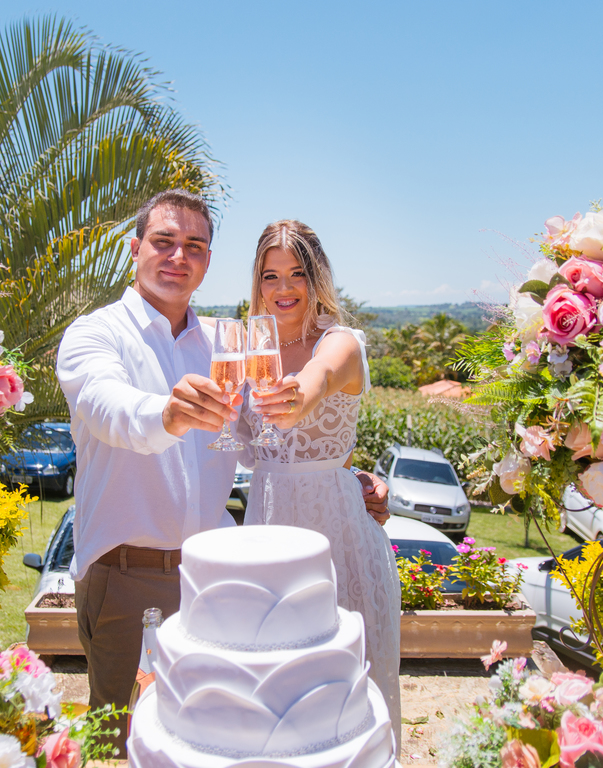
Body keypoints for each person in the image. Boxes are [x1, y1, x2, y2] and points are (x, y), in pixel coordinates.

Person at [55, 190, 390, 755]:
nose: (178, 257)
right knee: (120, 745)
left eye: (195, 246)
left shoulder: (227, 340)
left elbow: (267, 438)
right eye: (163, 241)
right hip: (128, 579)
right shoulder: (95, 335)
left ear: (208, 262)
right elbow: (106, 406)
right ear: (135, 248)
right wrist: (165, 412)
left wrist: (351, 478)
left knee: (221, 744)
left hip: (220, 583)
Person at [241, 219, 403, 733]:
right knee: (272, 701)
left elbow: (322, 376)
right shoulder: (243, 347)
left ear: (318, 279)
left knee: (345, 706)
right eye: (271, 275)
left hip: (336, 541)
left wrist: (297, 396)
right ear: (257, 282)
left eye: (297, 274)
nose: (284, 288)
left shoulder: (342, 343)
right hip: (263, 532)